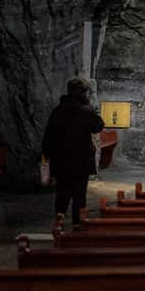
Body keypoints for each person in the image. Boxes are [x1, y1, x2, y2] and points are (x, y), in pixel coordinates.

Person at [41, 76, 105, 227]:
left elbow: (48, 137)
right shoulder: (86, 111)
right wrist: (89, 107)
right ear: (83, 94)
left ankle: (60, 220)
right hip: (81, 160)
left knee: (62, 192)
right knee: (79, 194)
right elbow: (98, 126)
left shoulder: (57, 111)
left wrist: (46, 156)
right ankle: (77, 224)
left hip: (61, 159)